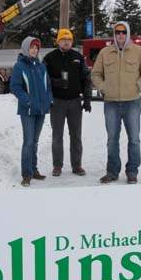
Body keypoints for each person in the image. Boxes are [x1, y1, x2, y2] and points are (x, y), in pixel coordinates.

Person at [91, 21, 141, 184]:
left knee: (134, 139)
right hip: (111, 103)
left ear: (127, 33)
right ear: (114, 34)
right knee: (112, 139)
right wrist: (104, 87)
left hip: (132, 102)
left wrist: (138, 86)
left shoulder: (138, 51)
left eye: (123, 32)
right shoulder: (105, 53)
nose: (120, 35)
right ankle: (112, 171)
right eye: (117, 32)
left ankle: (132, 171)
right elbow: (96, 74)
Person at [43, 28, 92, 177]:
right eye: (63, 39)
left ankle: (77, 165)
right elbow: (43, 80)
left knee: (76, 135)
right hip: (57, 102)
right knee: (57, 135)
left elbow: (86, 79)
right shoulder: (49, 58)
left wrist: (87, 99)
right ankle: (57, 165)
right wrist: (56, 82)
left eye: (69, 40)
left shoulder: (78, 57)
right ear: (58, 41)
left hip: (75, 102)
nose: (66, 42)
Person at [10, 35, 54, 186]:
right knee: (28, 142)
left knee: (35, 142)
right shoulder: (20, 66)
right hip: (27, 111)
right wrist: (27, 101)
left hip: (41, 110)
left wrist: (50, 100)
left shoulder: (41, 66)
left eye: (36, 48)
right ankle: (26, 174)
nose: (34, 50)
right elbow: (14, 86)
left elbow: (48, 85)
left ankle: (34, 170)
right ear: (26, 48)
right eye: (32, 47)